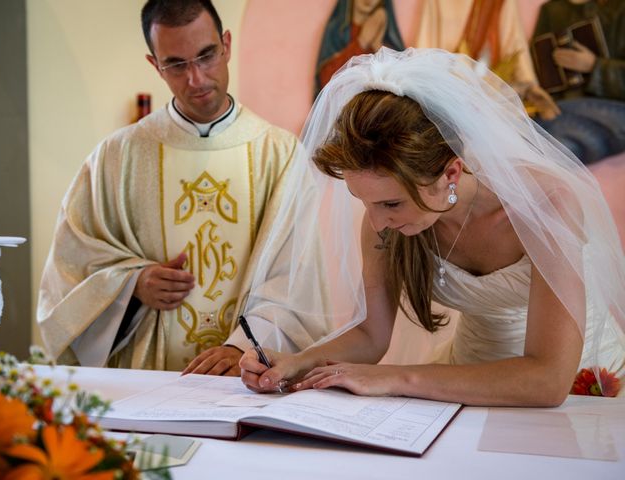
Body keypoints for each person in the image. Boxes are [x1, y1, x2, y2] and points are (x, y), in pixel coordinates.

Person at [240, 48, 625, 406]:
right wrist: (298, 362)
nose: (377, 223)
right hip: (465, 380)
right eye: (365, 202)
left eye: (391, 203)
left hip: (583, 387)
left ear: (451, 172)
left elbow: (548, 380)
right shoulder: (384, 223)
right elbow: (371, 336)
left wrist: (392, 379)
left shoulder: (546, 205)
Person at [37, 0, 331, 373]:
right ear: (154, 65)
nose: (196, 79)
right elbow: (70, 267)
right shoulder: (117, 157)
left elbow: (298, 277)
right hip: (144, 376)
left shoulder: (281, 154)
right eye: (176, 64)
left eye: (206, 56)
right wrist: (131, 285)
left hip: (244, 375)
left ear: (226, 45)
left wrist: (243, 345)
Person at [415, 0, 560, 121]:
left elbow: (515, 42)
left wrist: (529, 85)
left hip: (493, 81)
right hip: (450, 82)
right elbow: (426, 40)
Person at [531, 0, 625, 164]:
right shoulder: (553, 11)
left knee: (562, 136)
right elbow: (537, 66)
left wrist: (594, 66)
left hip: (615, 111)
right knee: (557, 135)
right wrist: (538, 96)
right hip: (558, 110)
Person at [315, 0, 405, 98]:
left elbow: (401, 83)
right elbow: (326, 81)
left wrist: (377, 45)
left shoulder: (388, 40)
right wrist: (362, 41)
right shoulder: (335, 31)